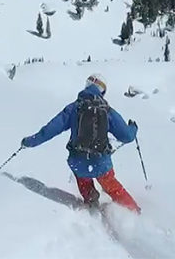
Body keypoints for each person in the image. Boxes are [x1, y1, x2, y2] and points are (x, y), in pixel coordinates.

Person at [20, 74, 141, 213]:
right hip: (101, 164)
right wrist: (133, 128)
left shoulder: (74, 108)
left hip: (78, 162)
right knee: (113, 188)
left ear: (86, 86)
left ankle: (91, 201)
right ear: (102, 91)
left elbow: (50, 130)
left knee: (82, 174)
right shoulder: (107, 111)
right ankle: (134, 211)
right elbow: (127, 136)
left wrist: (29, 142)